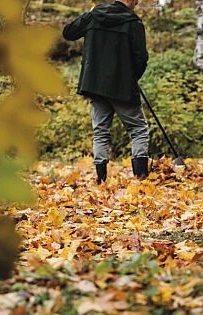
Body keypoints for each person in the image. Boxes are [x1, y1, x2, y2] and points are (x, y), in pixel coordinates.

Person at [63, 0, 150, 184]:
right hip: (122, 87)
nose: (137, 4)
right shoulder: (134, 23)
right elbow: (141, 58)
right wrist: (131, 77)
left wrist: (89, 14)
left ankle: (101, 180)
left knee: (101, 132)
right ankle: (141, 179)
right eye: (136, 1)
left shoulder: (94, 15)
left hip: (95, 85)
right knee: (139, 129)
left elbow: (69, 32)